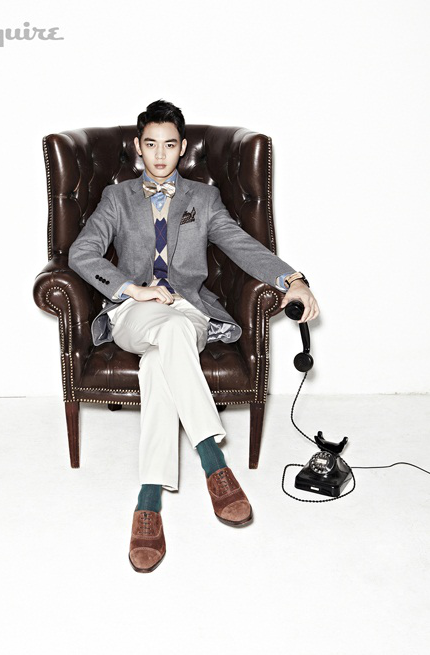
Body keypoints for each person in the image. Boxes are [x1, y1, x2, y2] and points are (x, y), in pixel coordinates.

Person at [68, 100, 320, 573]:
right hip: (133, 312)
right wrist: (132, 289)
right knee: (167, 331)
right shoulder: (116, 197)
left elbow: (242, 245)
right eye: (150, 145)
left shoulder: (203, 199)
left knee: (163, 353)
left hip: (189, 313)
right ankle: (213, 462)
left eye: (169, 145)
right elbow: (82, 253)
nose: (160, 154)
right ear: (138, 148)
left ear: (182, 148)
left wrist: (293, 279)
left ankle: (148, 500)